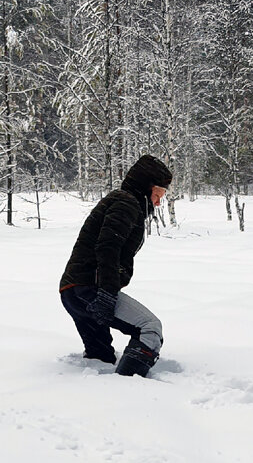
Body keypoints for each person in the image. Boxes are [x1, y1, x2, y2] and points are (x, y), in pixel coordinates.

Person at [59, 154, 173, 378]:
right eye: (158, 194)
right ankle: (128, 389)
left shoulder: (122, 201)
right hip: (90, 288)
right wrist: (107, 294)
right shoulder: (126, 203)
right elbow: (107, 248)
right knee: (150, 328)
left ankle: (100, 395)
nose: (159, 202)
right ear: (147, 187)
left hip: (72, 290)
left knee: (100, 358)